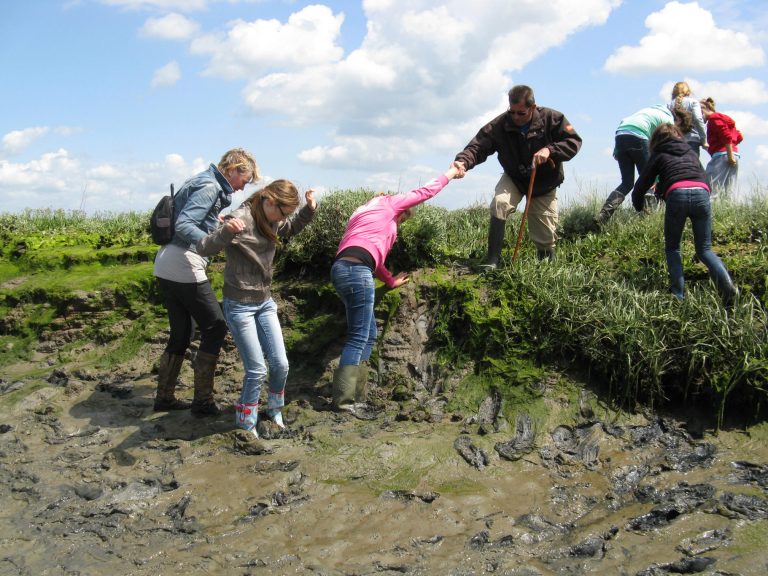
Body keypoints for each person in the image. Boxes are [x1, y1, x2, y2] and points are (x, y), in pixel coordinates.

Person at [330, 162, 462, 410]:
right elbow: (426, 192)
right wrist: (451, 173)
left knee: (369, 334)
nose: (399, 225)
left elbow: (373, 257)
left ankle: (357, 395)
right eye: (402, 220)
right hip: (358, 272)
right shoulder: (390, 204)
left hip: (342, 270)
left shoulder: (360, 213)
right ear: (400, 211)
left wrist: (390, 281)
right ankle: (344, 400)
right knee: (358, 337)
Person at [196, 181, 317, 439]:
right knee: (257, 369)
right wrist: (226, 231)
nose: (284, 219)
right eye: (283, 212)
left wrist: (308, 210)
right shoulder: (239, 218)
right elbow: (204, 247)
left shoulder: (271, 220)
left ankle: (274, 411)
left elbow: (291, 228)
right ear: (269, 201)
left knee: (281, 364)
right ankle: (246, 422)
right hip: (239, 306)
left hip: (264, 302)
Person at [152, 148, 259, 415]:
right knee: (215, 327)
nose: (241, 189)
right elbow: (185, 225)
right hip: (183, 263)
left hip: (165, 262)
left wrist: (214, 223)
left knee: (181, 333)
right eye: (243, 181)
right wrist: (213, 240)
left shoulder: (202, 180)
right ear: (233, 170)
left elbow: (186, 218)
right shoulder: (211, 186)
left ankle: (163, 397)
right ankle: (202, 402)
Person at [455, 85, 581, 265]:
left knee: (544, 234)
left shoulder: (553, 118)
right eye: (511, 112)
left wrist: (550, 150)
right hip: (514, 176)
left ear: (532, 107)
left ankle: (545, 271)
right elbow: (478, 146)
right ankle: (492, 261)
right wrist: (463, 162)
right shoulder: (500, 124)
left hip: (544, 182)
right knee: (500, 203)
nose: (515, 117)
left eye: (520, 113)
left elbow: (573, 141)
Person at [630, 122, 737, 306]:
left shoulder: (659, 154)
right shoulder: (690, 152)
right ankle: (727, 286)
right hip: (702, 193)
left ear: (656, 140)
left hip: (677, 194)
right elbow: (704, 178)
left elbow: (642, 184)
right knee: (704, 249)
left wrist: (638, 205)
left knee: (673, 248)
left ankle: (678, 297)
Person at [595, 104, 674, 225]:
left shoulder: (646, 111)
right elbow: (666, 146)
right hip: (638, 136)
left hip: (620, 136)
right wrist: (657, 177)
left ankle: (604, 214)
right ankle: (648, 220)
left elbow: (624, 122)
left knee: (627, 183)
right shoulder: (668, 119)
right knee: (648, 179)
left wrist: (617, 149)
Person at [699, 97, 742, 198]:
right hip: (732, 155)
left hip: (723, 157)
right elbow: (739, 136)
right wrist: (731, 151)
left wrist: (729, 154)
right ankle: (729, 212)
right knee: (729, 191)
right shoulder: (723, 119)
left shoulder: (714, 118)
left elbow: (726, 135)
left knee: (711, 189)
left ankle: (711, 213)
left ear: (702, 110)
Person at [667, 81, 708, 157]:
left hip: (675, 141)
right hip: (692, 140)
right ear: (688, 92)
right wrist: (704, 140)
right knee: (691, 167)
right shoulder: (693, 102)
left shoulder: (669, 105)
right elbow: (698, 119)